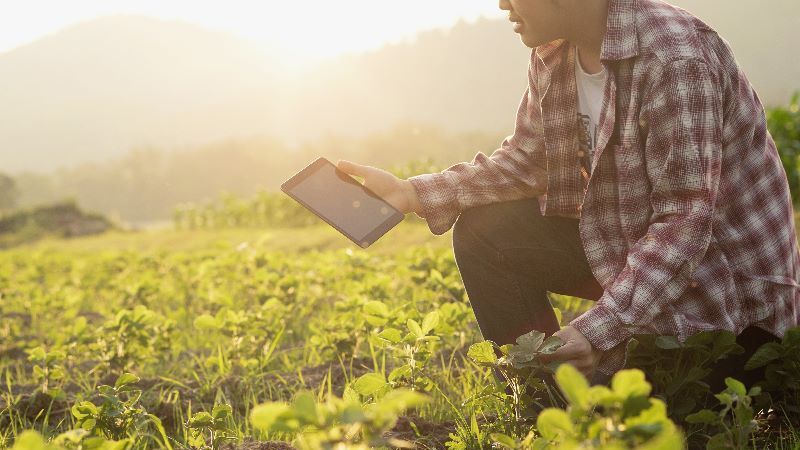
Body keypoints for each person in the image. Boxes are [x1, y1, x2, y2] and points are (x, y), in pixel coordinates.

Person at [337, 0, 799, 391]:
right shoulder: (555, 52)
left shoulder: (674, 60)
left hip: (726, 302)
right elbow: (528, 158)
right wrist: (409, 192)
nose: (502, 5)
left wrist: (598, 331)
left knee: (652, 414)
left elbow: (684, 223)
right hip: (636, 257)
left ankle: (591, 377)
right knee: (486, 231)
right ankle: (546, 401)